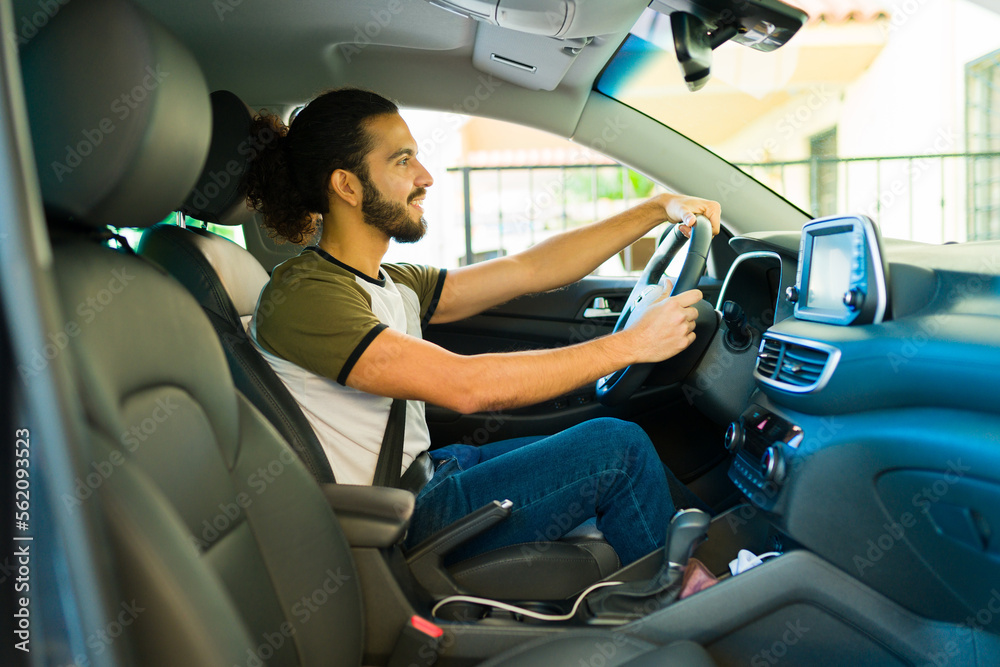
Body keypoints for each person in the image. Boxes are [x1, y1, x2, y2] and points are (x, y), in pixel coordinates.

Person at [243, 88, 721, 566]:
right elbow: (466, 386)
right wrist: (634, 343)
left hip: (430, 474)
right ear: (347, 186)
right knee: (618, 450)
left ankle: (725, 569)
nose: (425, 177)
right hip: (390, 520)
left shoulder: (390, 281)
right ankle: (690, 596)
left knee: (630, 447)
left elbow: (530, 269)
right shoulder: (306, 294)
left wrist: (656, 208)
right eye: (402, 161)